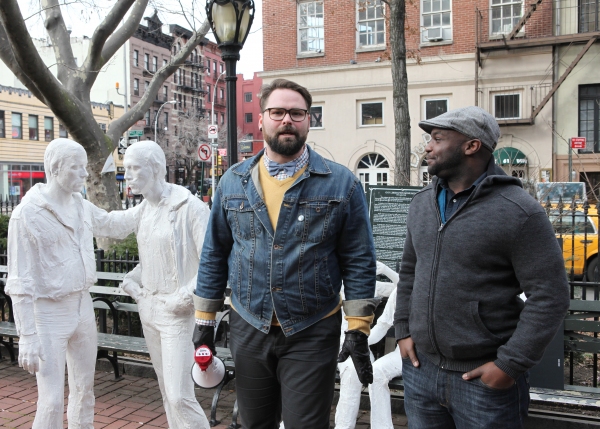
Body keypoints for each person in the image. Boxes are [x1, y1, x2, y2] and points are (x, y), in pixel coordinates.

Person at [193, 78, 378, 429]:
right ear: (262, 119)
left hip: (312, 328)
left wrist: (358, 327)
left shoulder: (342, 184)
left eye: (297, 112)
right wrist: (204, 322)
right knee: (252, 423)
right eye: (277, 112)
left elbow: (358, 258)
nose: (287, 120)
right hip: (248, 325)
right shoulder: (233, 182)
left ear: (309, 120)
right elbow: (215, 253)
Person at [394, 106, 570, 428]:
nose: (427, 147)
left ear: (471, 146)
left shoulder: (518, 212)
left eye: (437, 138)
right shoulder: (422, 203)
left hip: (483, 381)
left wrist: (509, 366)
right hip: (421, 372)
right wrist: (404, 329)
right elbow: (410, 270)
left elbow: (551, 295)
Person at [6, 138, 133, 429]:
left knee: (84, 391)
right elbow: (19, 282)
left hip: (83, 307)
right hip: (48, 313)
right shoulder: (26, 215)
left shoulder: (81, 205)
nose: (84, 174)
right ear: (55, 168)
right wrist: (27, 335)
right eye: (76, 168)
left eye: (84, 167)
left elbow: (112, 223)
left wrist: (150, 203)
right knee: (50, 402)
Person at [118, 140, 212, 429]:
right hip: (151, 312)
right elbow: (151, 258)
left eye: (134, 168)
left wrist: (180, 298)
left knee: (179, 395)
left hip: (178, 315)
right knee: (165, 392)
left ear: (155, 168)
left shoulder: (190, 208)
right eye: (126, 169)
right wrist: (134, 281)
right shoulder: (144, 209)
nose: (128, 176)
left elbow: (213, 265)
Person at [335, 262, 403, 429]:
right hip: (332, 345)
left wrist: (386, 270)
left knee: (354, 371)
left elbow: (402, 288)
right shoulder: (331, 282)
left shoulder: (371, 286)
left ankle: (344, 426)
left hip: (359, 346)